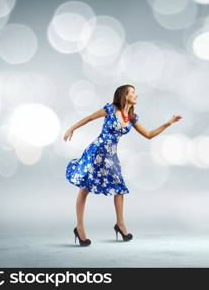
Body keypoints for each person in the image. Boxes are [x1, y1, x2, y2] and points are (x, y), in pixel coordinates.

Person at [63, 84, 182, 246]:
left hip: (111, 156)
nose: (136, 95)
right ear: (124, 95)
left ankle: (120, 224)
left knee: (119, 188)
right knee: (85, 187)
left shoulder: (132, 118)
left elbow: (149, 135)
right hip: (96, 151)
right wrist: (71, 129)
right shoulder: (111, 109)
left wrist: (168, 123)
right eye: (132, 92)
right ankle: (80, 227)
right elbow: (90, 118)